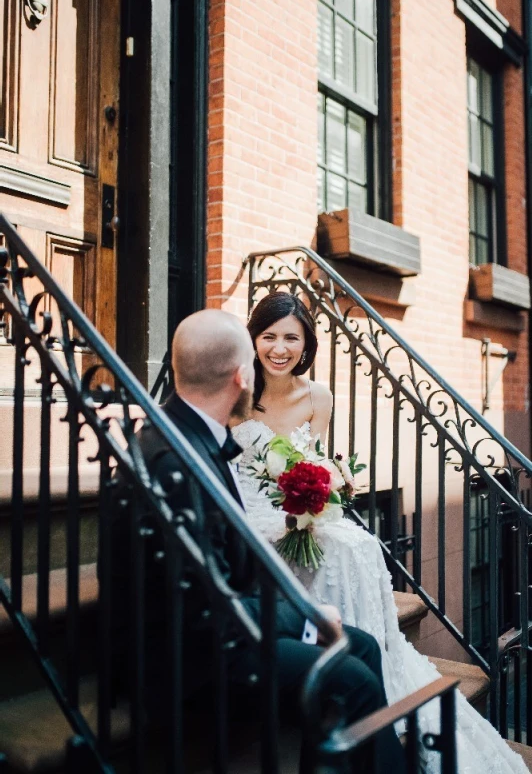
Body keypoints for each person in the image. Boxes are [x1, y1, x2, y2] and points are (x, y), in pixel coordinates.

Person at [232, 291, 528, 774]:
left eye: (291, 337)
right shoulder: (241, 394)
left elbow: (315, 460)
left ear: (306, 343)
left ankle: (366, 661)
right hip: (252, 510)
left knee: (360, 542)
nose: (279, 348)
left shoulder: (318, 396)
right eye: (269, 337)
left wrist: (330, 481)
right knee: (342, 549)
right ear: (254, 340)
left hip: (296, 506)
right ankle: (334, 659)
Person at [110, 309, 405, 774]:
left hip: (211, 626)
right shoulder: (175, 462)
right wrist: (307, 617)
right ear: (242, 375)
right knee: (350, 676)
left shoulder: (186, 433)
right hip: (187, 658)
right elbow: (207, 605)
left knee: (363, 646)